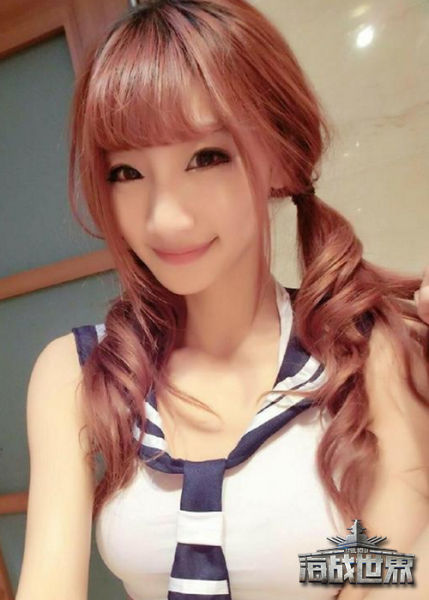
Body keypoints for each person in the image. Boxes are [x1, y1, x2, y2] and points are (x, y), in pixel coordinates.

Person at [16, 2, 429, 600]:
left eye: (206, 157)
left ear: (280, 158)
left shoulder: (368, 354)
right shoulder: (77, 373)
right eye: (126, 172)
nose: (164, 218)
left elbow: (387, 575)